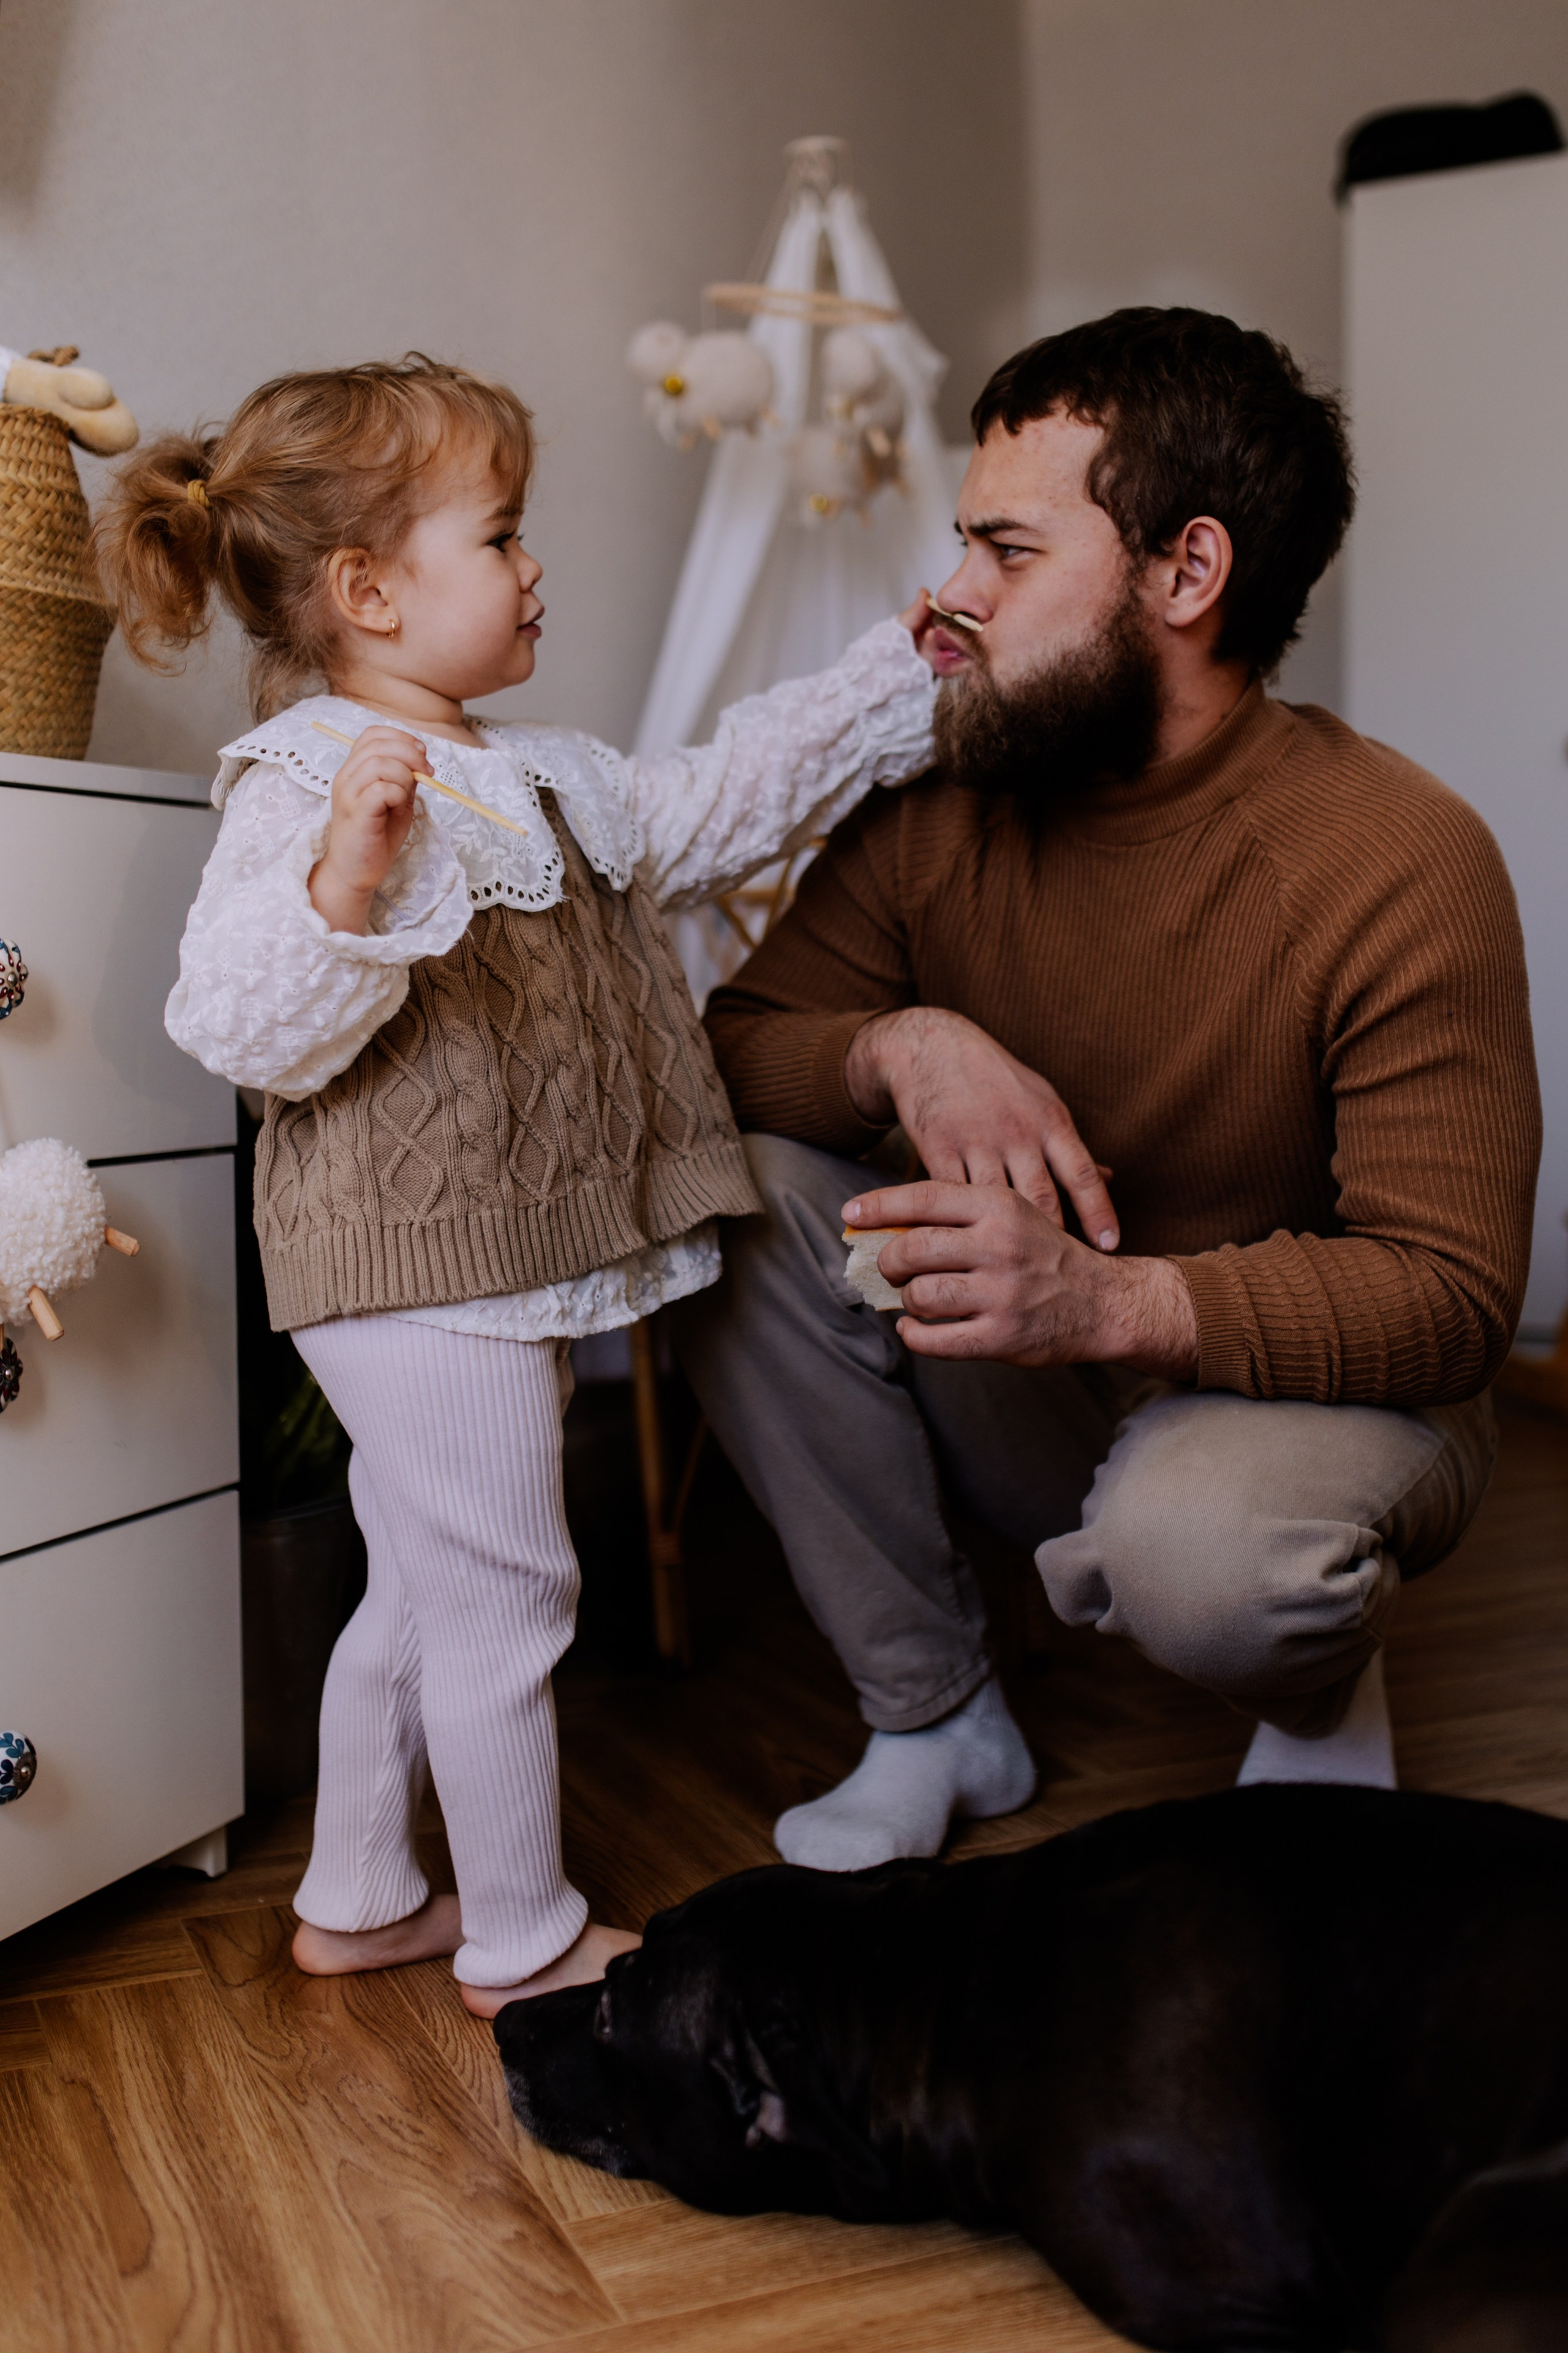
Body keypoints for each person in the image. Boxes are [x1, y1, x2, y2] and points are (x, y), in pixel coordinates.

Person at [97, 355, 939, 2009]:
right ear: (370, 593)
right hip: (416, 1272)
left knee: (418, 1590)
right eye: (501, 534)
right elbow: (238, 1020)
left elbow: (719, 801)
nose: (535, 563)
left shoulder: (544, 771)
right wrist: (347, 880)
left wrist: (885, 681)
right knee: (512, 1595)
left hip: (484, 1266)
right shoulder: (308, 775)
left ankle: (358, 1894)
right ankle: (525, 1936)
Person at [673, 306, 1542, 1871]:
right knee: (733, 1183)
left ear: (1184, 574)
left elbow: (1448, 1298)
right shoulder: (942, 802)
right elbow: (728, 1046)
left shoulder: (1403, 857)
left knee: (1205, 1555)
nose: (945, 599)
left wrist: (1103, 1301)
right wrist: (900, 1042)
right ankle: (934, 1713)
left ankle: (1317, 1690)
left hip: (1313, 1402)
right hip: (1044, 1380)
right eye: (959, 546)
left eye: (1004, 551)